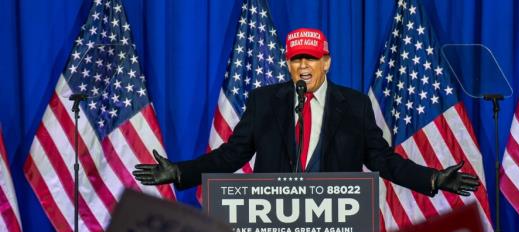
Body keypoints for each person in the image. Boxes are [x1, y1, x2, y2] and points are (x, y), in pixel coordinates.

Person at [133, 28, 479, 197]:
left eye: (310, 59)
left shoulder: (355, 105)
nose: (302, 66)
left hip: (336, 228)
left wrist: (432, 179)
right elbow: (230, 156)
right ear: (287, 63)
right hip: (272, 230)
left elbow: (382, 160)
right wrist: (181, 172)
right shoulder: (264, 101)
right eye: (296, 59)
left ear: (326, 62)